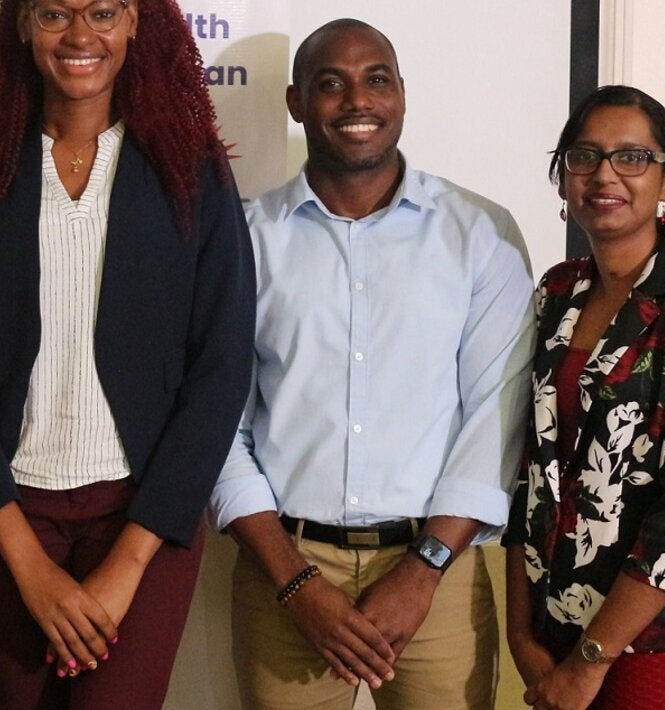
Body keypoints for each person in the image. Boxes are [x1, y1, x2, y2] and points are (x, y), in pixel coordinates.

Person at [0, 0, 255, 706]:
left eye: (102, 11)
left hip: (142, 520)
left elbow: (221, 367)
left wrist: (129, 563)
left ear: (135, 23)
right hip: (7, 519)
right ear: (23, 26)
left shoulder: (192, 174)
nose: (79, 36)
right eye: (54, 13)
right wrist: (27, 562)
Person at [209, 19, 536, 710]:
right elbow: (216, 426)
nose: (357, 100)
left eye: (375, 79)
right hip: (284, 575)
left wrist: (425, 569)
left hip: (437, 570)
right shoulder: (244, 239)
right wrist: (295, 583)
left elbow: (496, 416)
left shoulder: (479, 233)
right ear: (297, 104)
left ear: (403, 95)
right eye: (330, 83)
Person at [503, 85, 665, 710]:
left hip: (661, 646)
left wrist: (590, 661)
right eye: (584, 156)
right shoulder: (557, 293)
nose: (604, 174)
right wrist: (519, 629)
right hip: (552, 633)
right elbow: (529, 472)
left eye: (633, 157)